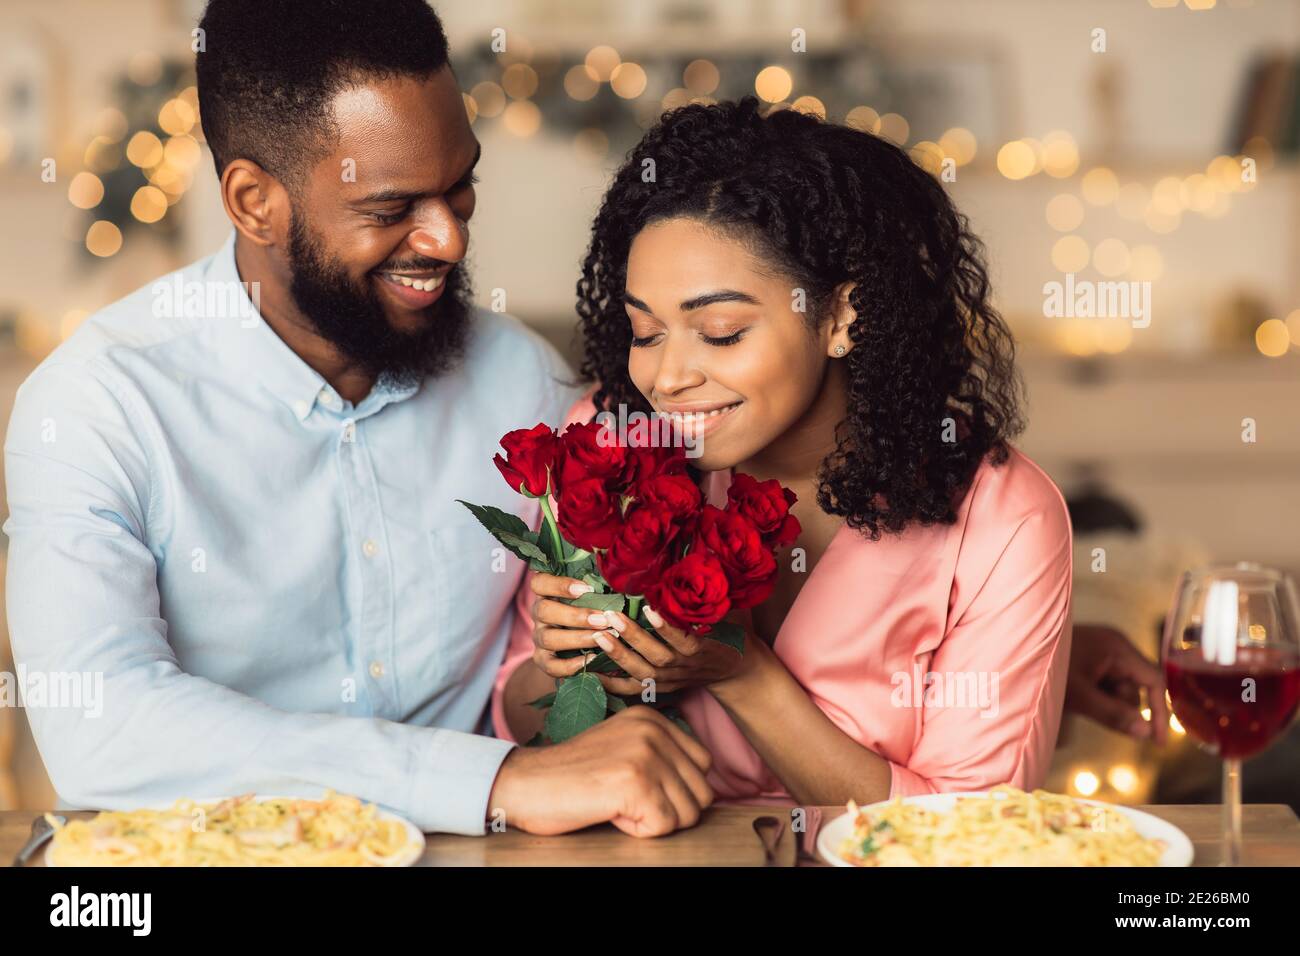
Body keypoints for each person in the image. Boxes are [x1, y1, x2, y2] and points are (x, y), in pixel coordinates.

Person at [2, 0, 714, 838]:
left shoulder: (525, 381)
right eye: (391, 210)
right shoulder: (99, 404)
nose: (447, 239)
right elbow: (102, 726)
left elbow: (552, 666)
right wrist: (496, 782)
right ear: (253, 201)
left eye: (461, 188)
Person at [495, 97, 1077, 805]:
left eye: (720, 332)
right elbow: (516, 724)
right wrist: (559, 668)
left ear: (839, 317)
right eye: (645, 333)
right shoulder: (611, 445)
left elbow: (967, 833)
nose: (667, 379)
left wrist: (741, 671)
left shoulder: (1003, 520)